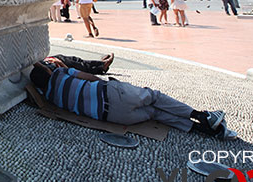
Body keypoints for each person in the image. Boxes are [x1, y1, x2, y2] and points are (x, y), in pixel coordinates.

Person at [30, 60, 232, 138]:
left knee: (154, 113)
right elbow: (90, 77)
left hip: (116, 117)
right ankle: (201, 116)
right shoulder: (60, 74)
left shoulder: (50, 98)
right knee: (154, 97)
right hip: (114, 95)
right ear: (48, 70)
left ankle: (197, 128)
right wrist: (58, 68)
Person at [43, 53, 114, 74]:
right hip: (57, 66)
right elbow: (68, 71)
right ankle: (102, 66)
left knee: (76, 59)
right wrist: (59, 63)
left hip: (52, 60)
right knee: (77, 65)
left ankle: (100, 65)